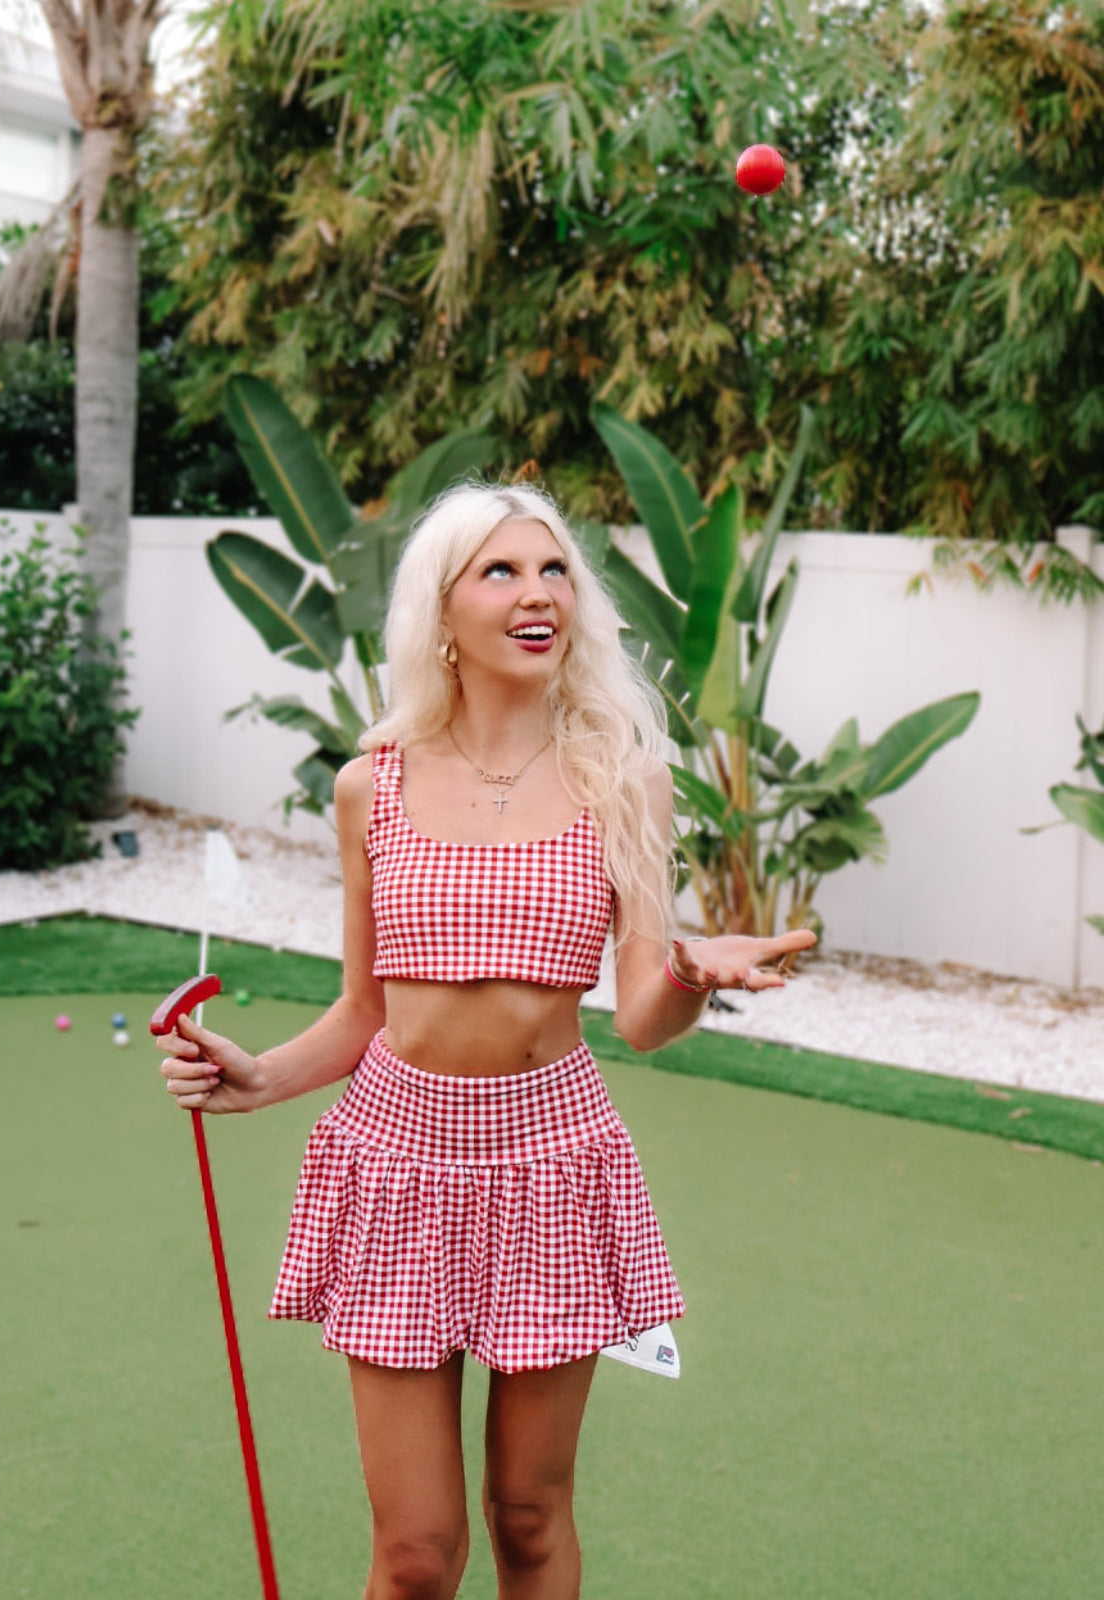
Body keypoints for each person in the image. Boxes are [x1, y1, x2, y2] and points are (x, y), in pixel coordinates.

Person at [156, 481, 816, 1600]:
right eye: (500, 571)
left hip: (553, 1157)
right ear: (442, 610)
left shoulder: (625, 783)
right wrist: (259, 1076)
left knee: (528, 1516)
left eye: (554, 570)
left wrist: (693, 976)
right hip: (396, 1158)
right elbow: (365, 1010)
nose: (536, 593)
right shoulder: (372, 786)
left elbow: (642, 1018)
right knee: (417, 1553)